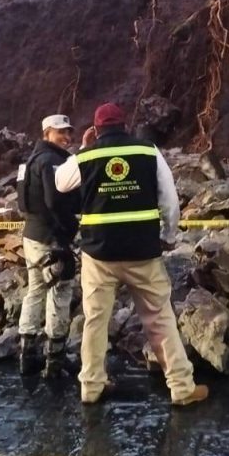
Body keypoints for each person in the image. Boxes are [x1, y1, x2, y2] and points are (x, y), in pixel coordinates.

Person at [55, 102, 208, 407]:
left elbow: (61, 183)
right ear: (125, 125)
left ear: (96, 130)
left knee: (95, 321)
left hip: (99, 255)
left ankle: (91, 387)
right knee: (160, 318)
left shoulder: (87, 156)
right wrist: (168, 235)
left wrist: (83, 149)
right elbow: (170, 201)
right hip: (142, 251)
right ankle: (181, 387)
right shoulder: (148, 151)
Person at [16, 114, 80, 378]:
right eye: (60, 132)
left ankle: (27, 356)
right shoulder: (52, 161)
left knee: (35, 291)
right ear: (47, 133)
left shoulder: (29, 161)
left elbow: (22, 203)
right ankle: (55, 360)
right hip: (51, 239)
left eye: (68, 132)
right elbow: (55, 202)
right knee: (60, 292)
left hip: (31, 236)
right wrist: (70, 229)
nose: (67, 137)